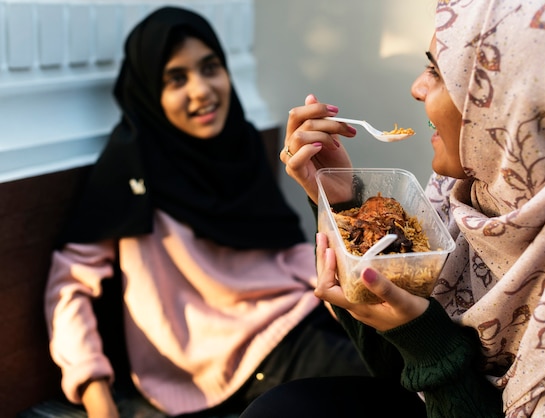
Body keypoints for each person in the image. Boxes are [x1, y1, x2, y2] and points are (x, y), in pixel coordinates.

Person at [240, 0, 545, 417]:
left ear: (521, 107)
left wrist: (432, 345)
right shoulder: (466, 193)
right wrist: (341, 204)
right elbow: (392, 372)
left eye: (438, 72)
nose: (417, 88)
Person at [44, 6, 369, 417]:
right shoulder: (131, 167)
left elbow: (281, 248)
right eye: (176, 78)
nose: (201, 90)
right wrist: (95, 393)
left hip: (299, 316)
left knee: (402, 357)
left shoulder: (239, 143)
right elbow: (70, 284)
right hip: (232, 360)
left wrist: (349, 306)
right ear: (148, 89)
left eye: (210, 67)